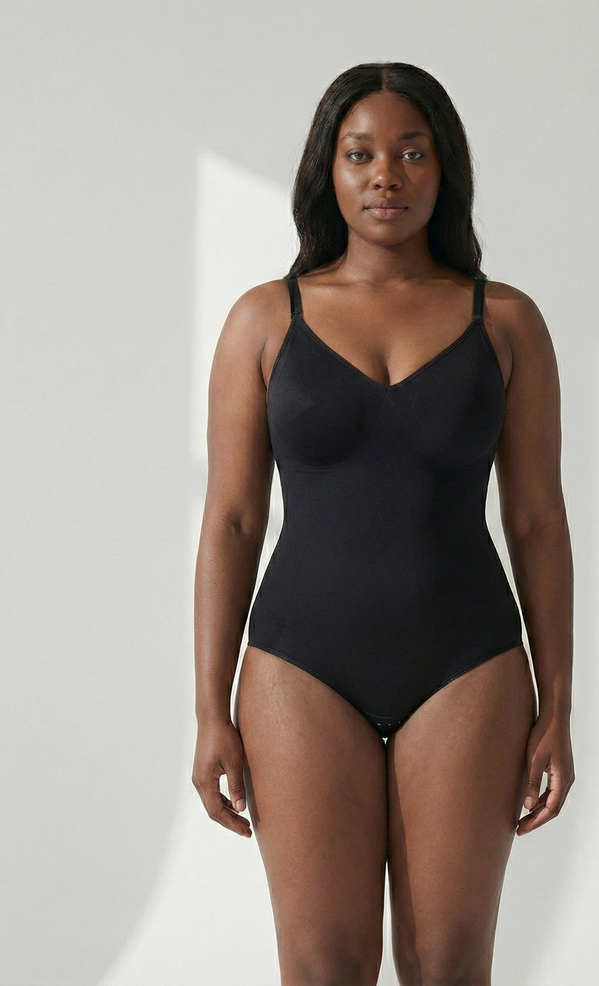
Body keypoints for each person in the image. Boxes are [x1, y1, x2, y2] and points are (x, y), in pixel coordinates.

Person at [192, 61, 575, 986]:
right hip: (299, 668)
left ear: (446, 170)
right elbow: (232, 520)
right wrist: (209, 709)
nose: (386, 177)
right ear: (327, 169)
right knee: (323, 967)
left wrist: (558, 705)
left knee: (447, 966)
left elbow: (537, 520)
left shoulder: (506, 322)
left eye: (412, 152)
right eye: (360, 154)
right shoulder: (264, 320)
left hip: (468, 666)